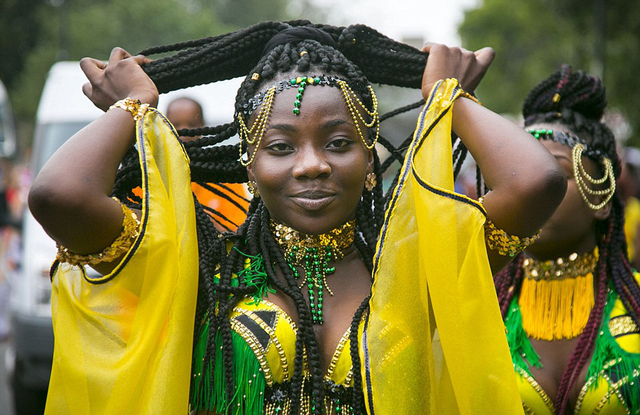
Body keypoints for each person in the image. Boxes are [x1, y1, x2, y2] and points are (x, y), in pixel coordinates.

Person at [28, 22, 566, 414]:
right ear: (250, 164)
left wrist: (447, 95)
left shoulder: (418, 266)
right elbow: (60, 197)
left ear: (370, 156)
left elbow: (535, 183)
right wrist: (134, 107)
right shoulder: (200, 270)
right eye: (281, 147)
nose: (312, 165)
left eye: (337, 143)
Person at [494, 65, 640, 414]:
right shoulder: (480, 312)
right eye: (517, 176)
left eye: (554, 175)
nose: (533, 192)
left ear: (602, 198)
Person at [165, 97, 249, 231]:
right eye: (175, 125)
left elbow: (238, 231)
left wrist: (203, 225)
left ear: (203, 127)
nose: (185, 132)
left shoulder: (223, 175)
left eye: (192, 125)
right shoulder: (145, 176)